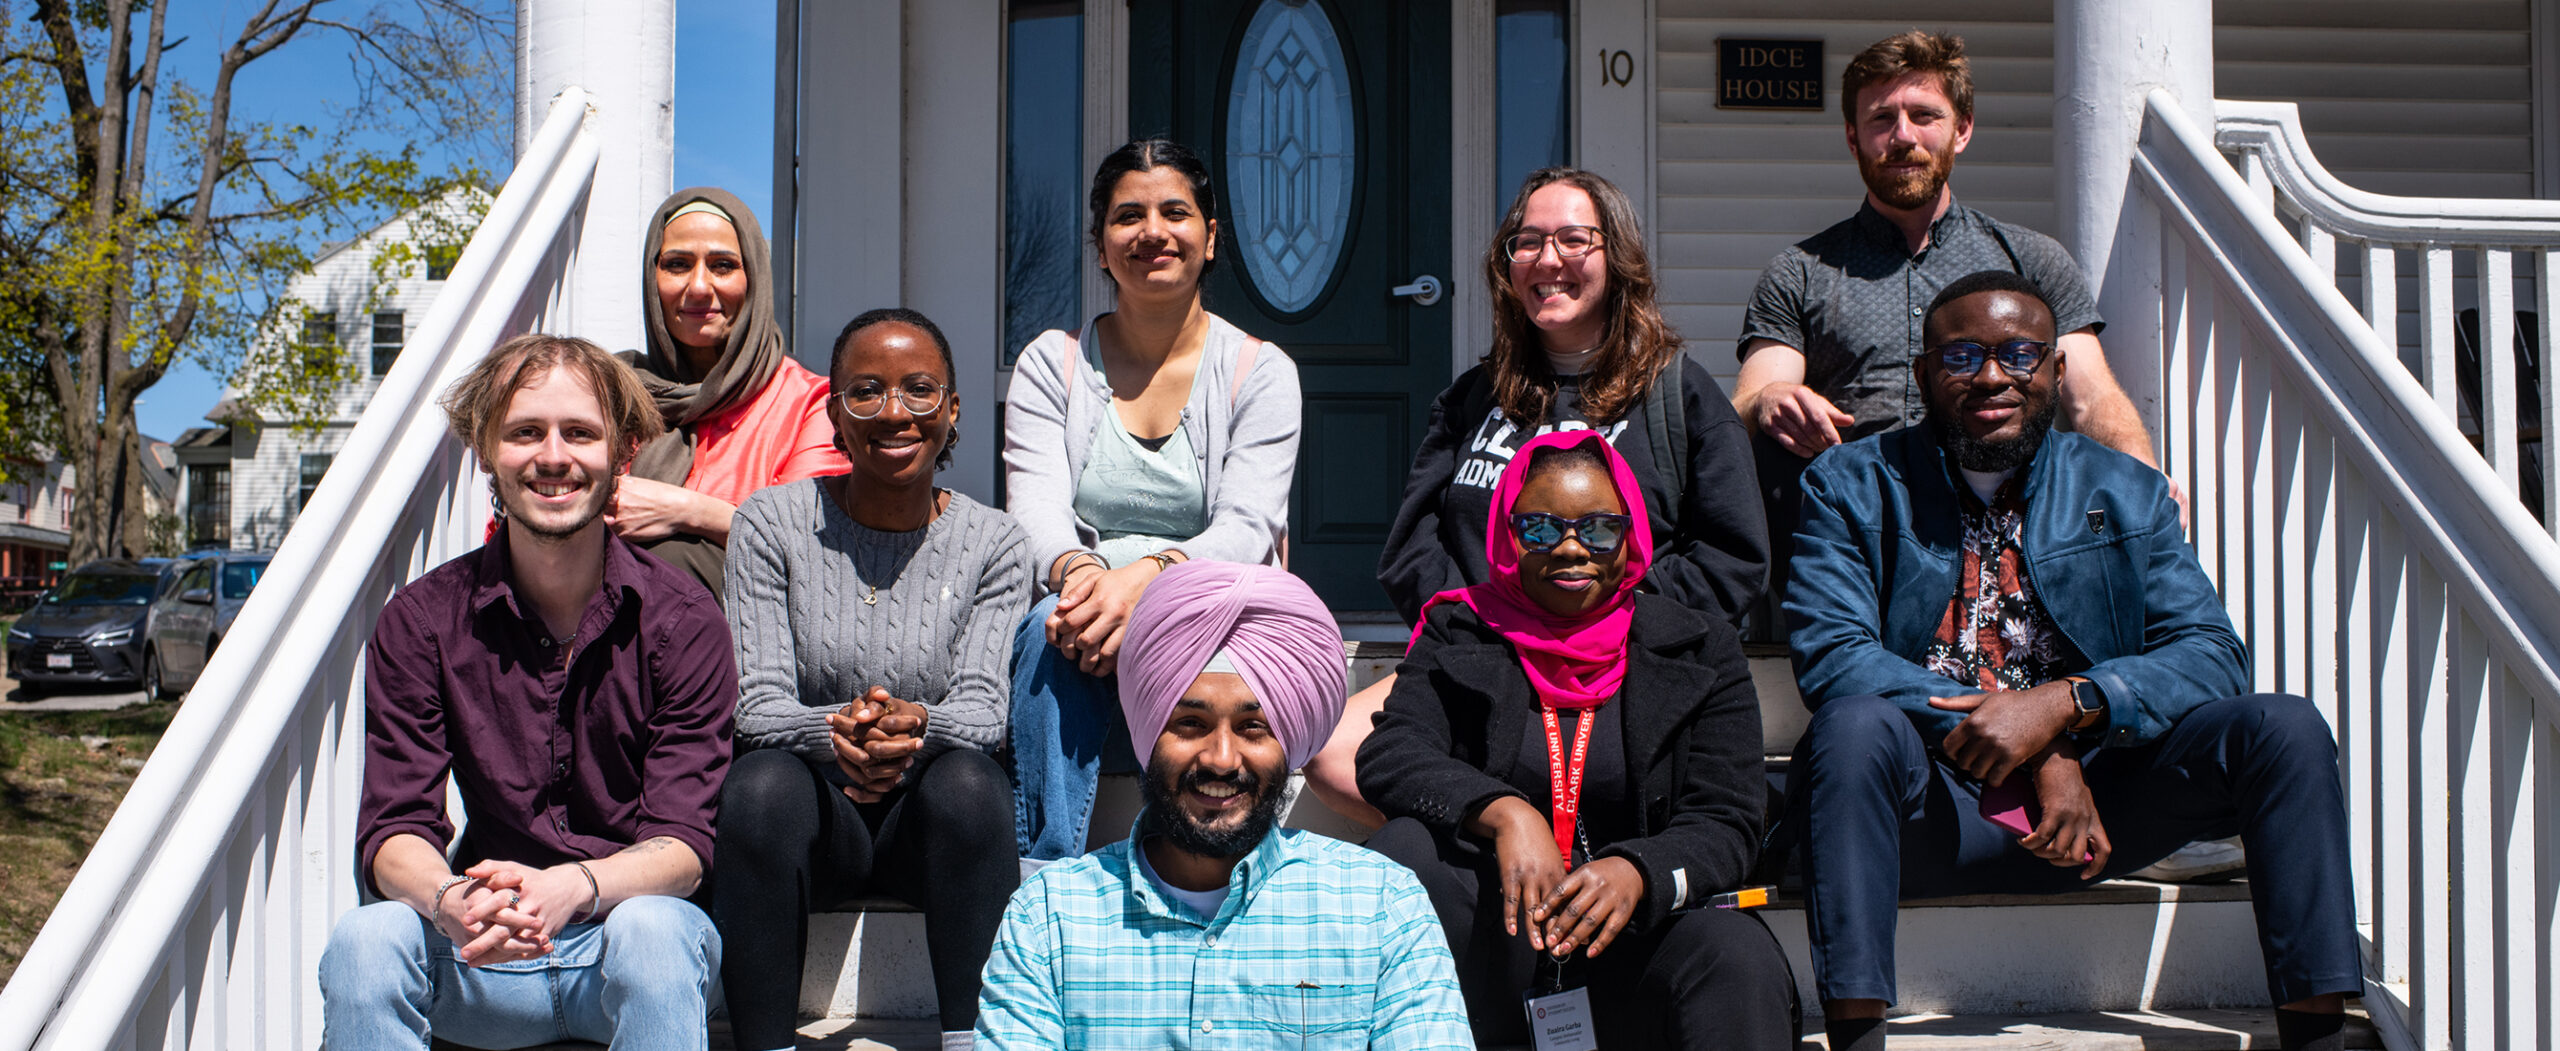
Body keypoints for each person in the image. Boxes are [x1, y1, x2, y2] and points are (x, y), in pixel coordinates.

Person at [1786, 271, 2360, 1051]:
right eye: (1961, 355)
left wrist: (2071, 703)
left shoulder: (2125, 489)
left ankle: (2320, 1037)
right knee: (1850, 728)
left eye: (2021, 353)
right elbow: (1835, 656)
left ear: (2056, 371)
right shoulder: (1851, 483)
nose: (1993, 375)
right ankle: (1857, 1037)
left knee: (2283, 726)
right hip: (1935, 806)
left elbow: (2210, 654)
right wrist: (2038, 748)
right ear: (1923, 375)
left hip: (2104, 805)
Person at [1313, 167, 1768, 825]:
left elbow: (1732, 559)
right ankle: (1506, 857)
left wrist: (1605, 624)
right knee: (1333, 753)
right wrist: (1479, 629)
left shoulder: (1679, 397)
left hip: (1617, 667)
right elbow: (1414, 541)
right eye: (1526, 242)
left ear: (1618, 258)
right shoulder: (1477, 397)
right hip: (1487, 657)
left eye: (1573, 239)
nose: (1547, 259)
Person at [318, 333, 735, 1050]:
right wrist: (453, 900)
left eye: (580, 432)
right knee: (367, 937)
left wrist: (574, 885)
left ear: (621, 452)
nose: (553, 456)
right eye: (524, 432)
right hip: (483, 950)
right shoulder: (422, 620)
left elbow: (685, 845)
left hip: (621, 948)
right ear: (485, 449)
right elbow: (393, 829)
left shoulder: (685, 619)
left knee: (656, 931)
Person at [1360, 430, 1795, 1048]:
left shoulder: (1700, 647)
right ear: (1509, 536)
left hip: (1631, 946)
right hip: (1496, 942)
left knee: (1734, 952)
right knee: (1407, 850)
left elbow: (1728, 821)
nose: (1570, 549)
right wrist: (1504, 812)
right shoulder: (1459, 628)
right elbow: (1392, 753)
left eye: (1598, 529)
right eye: (1539, 528)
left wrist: (1638, 871)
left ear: (1631, 534)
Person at [1735, 30, 2177, 595]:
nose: (1902, 137)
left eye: (1924, 115)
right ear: (1852, 137)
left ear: (1961, 129)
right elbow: (1751, 399)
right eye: (1880, 119)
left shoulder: (2032, 260)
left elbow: (2091, 397)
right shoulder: (1799, 271)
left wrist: (2143, 482)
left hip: (2019, 539)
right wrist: (1771, 400)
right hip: (1860, 541)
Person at [974, 561, 1473, 1049]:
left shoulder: (1380, 906)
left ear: (1290, 742)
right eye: (1189, 724)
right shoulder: (1051, 916)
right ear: (1148, 732)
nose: (1220, 759)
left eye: (1253, 728)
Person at [713, 308, 1029, 1051]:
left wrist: (915, 727)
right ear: (834, 414)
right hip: (812, 822)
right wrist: (836, 732)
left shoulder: (993, 541)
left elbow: (984, 712)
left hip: (931, 830)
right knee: (757, 785)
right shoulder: (771, 523)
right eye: (867, 392)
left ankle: (972, 1042)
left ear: (952, 410)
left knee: (973, 784)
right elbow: (757, 705)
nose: (895, 412)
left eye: (920, 391)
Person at [1004, 138, 1302, 863]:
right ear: (1101, 245)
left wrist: (1148, 581)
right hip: (1085, 611)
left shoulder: (1260, 371)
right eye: (1127, 216)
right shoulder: (1052, 362)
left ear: (1210, 238)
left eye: (1175, 212)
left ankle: (1210, 860)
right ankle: (1042, 872)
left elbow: (1247, 527)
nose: (1152, 232)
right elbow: (1034, 511)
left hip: (1218, 605)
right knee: (1049, 624)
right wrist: (1083, 583)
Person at [616, 186, 849, 597]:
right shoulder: (614, 391)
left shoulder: (810, 404)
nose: (699, 287)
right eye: (677, 264)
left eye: (722, 266)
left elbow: (814, 549)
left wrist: (687, 511)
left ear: (754, 277)